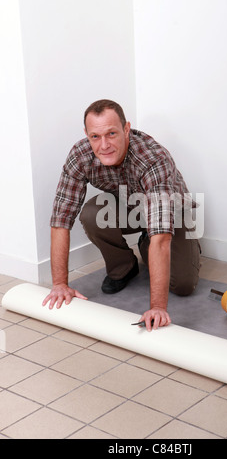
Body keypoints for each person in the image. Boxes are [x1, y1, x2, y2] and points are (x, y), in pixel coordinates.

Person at [42, 99, 201, 331]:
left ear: (126, 129)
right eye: (95, 136)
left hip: (171, 216)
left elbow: (162, 236)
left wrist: (157, 306)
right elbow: (60, 221)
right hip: (131, 207)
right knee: (92, 213)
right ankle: (124, 268)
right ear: (86, 134)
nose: (104, 145)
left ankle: (150, 245)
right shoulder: (80, 155)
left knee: (183, 285)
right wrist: (59, 284)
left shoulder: (152, 158)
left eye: (112, 133)